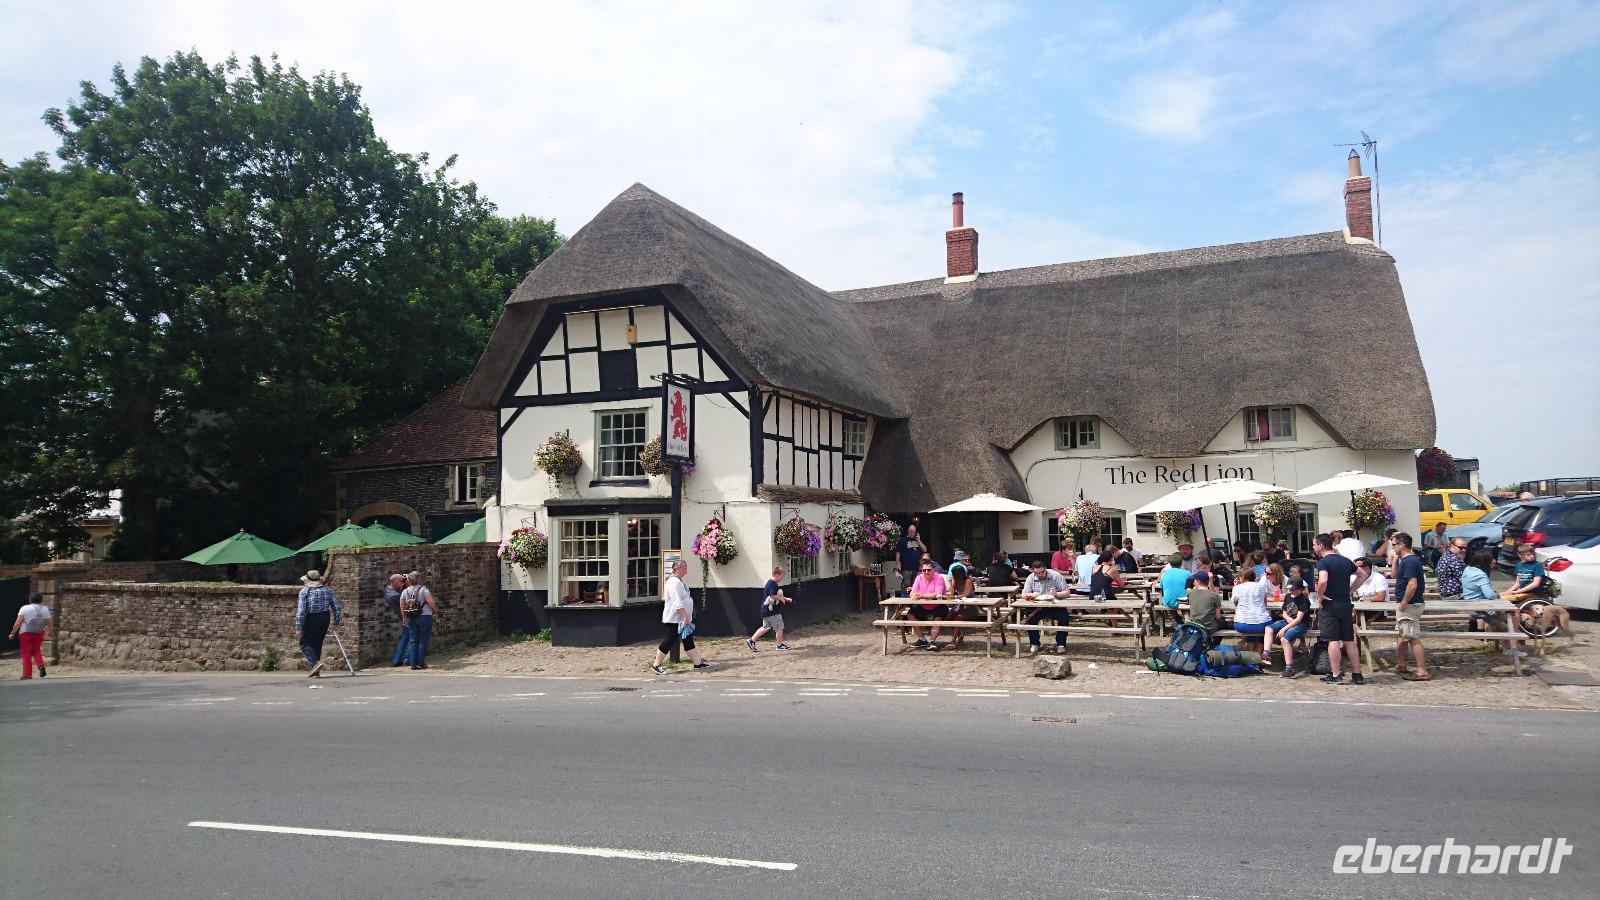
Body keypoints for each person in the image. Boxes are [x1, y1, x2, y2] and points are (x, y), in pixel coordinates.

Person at [1314, 533, 1363, 684]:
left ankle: (1336, 675)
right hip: (1345, 603)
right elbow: (1362, 574)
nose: (1313, 547)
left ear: (1321, 546)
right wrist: (1350, 590)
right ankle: (1357, 674)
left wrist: (1320, 595)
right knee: (1349, 639)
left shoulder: (1323, 562)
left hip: (1330, 604)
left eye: (1314, 544)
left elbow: (1323, 580)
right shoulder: (1345, 560)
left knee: (1333, 640)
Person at [652, 559, 709, 674]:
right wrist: (684, 617)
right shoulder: (674, 582)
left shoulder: (680, 581)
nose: (686, 569)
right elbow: (676, 601)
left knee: (688, 639)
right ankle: (656, 664)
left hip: (681, 618)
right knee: (670, 639)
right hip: (675, 618)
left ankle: (698, 663)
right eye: (684, 567)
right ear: (677, 569)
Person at [1391, 532, 1429, 680]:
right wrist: (1395, 560)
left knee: (1412, 637)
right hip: (1407, 604)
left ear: (1402, 545)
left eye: (1394, 545)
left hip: (1410, 605)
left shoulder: (1410, 562)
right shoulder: (1405, 561)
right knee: (1402, 635)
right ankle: (1402, 665)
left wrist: (1404, 602)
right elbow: (1394, 576)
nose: (1393, 548)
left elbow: (1412, 585)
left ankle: (1422, 671)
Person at [294, 569, 342, 678]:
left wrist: (298, 627)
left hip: (311, 617)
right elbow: (336, 607)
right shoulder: (327, 590)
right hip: (325, 617)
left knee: (304, 643)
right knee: (317, 642)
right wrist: (337, 622)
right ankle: (316, 671)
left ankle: (315, 663)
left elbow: (301, 611)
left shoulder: (305, 591)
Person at [1020, 560, 1072, 655]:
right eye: (1037, 573)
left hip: (1054, 605)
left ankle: (1061, 644)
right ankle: (1034, 643)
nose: (1040, 575)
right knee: (1030, 617)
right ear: (1033, 571)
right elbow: (1024, 594)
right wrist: (1031, 595)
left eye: (1042, 572)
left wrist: (1057, 594)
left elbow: (1067, 593)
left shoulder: (1055, 576)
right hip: (1037, 606)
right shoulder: (1031, 577)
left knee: (1064, 617)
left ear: (1045, 569)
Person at [1263, 577, 1312, 677]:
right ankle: (1266, 653)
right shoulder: (1288, 596)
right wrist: (1287, 618)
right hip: (1288, 620)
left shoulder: (1304, 600)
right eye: (1289, 588)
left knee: (1284, 639)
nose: (1291, 591)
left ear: (1301, 589)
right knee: (1268, 628)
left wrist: (1284, 628)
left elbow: (1298, 619)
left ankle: (1289, 668)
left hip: (1301, 624)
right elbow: (1284, 612)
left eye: (1293, 589)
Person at [907, 557, 949, 650]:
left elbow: (938, 594)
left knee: (938, 618)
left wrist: (921, 596)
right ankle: (922, 639)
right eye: (924, 570)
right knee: (910, 614)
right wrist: (912, 595)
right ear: (921, 570)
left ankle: (931, 642)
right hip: (922, 606)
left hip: (938, 605)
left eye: (929, 570)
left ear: (933, 570)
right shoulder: (919, 578)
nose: (926, 572)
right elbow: (913, 592)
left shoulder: (939, 578)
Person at [747, 566, 792, 651]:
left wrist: (786, 599)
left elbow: (776, 595)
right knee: (779, 627)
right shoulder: (772, 583)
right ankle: (779, 645)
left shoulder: (770, 583)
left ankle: (751, 640)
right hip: (772, 611)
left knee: (765, 627)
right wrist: (781, 599)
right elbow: (772, 595)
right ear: (777, 575)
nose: (782, 578)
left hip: (766, 610)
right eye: (781, 576)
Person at [9, 593, 53, 679]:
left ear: (30, 600)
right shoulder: (45, 609)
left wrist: (13, 632)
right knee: (36, 650)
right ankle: (40, 666)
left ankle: (27, 674)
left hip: (25, 632)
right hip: (39, 632)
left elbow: (18, 622)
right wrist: (50, 632)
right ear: (41, 600)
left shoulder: (25, 608)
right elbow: (49, 621)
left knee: (26, 653)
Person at [402, 570, 437, 670]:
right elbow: (430, 601)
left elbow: (402, 605)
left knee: (413, 640)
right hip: (424, 616)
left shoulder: (405, 591)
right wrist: (434, 610)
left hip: (411, 617)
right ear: (418, 579)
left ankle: (413, 664)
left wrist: (404, 617)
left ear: (409, 580)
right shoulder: (423, 589)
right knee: (423, 640)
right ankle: (420, 663)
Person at [1230, 567, 1272, 645]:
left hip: (1241, 624)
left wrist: (1235, 586)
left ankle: (1251, 652)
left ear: (1242, 577)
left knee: (1250, 626)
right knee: (1262, 627)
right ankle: (1260, 652)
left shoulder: (1237, 588)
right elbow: (1265, 605)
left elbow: (1235, 603)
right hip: (1262, 623)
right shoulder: (1262, 587)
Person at [1185, 571, 1224, 646]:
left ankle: (1208, 643)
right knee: (1224, 623)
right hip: (1208, 626)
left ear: (1198, 581)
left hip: (1194, 624)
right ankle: (1214, 644)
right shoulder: (1215, 595)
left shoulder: (1191, 593)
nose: (1193, 582)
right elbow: (1218, 616)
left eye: (1195, 580)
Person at [385, 573, 411, 667]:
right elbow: (409, 598)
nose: (403, 583)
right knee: (413, 637)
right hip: (407, 617)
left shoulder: (387, 589)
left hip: (403, 617)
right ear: (396, 582)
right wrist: (409, 585)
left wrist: (403, 581)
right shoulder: (395, 595)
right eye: (401, 581)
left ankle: (397, 660)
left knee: (405, 637)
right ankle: (408, 658)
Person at [894, 524, 927, 593]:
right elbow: (898, 552)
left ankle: (914, 599)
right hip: (906, 567)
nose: (912, 533)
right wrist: (897, 563)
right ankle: (904, 599)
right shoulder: (902, 540)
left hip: (917, 568)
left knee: (916, 586)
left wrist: (919, 540)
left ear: (915, 532)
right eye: (910, 531)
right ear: (908, 531)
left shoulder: (918, 540)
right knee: (906, 585)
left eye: (913, 532)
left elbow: (924, 550)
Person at [1435, 536, 1468, 601]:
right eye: (1461, 548)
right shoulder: (1455, 559)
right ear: (1452, 546)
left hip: (1444, 594)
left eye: (1465, 548)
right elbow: (1464, 579)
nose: (1464, 550)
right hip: (1455, 596)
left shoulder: (1445, 556)